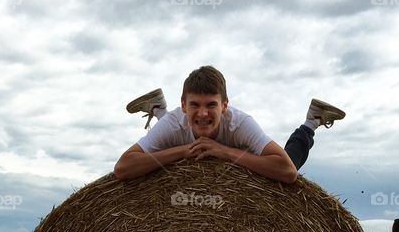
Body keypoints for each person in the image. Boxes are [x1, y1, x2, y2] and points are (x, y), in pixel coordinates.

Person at [113, 66, 345, 184]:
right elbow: (123, 168)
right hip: (177, 127)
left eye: (211, 105)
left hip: (243, 153)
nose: (203, 113)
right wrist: (184, 151)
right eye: (194, 104)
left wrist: (224, 152)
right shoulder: (176, 123)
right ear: (183, 105)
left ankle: (311, 121)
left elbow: (287, 171)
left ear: (225, 105)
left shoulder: (240, 123)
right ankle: (159, 110)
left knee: (286, 167)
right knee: (172, 138)